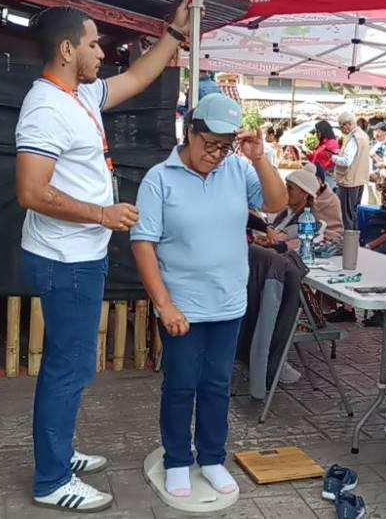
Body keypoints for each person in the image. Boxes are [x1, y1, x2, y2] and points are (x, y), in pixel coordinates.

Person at [15, 2, 190, 512]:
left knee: (71, 365)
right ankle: (51, 480)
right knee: (68, 369)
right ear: (67, 50)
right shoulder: (46, 108)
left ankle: (60, 453)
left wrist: (175, 33)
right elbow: (30, 191)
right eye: (92, 43)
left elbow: (138, 75)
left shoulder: (81, 96)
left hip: (76, 257)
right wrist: (101, 214)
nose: (101, 52)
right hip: (64, 260)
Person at [131, 94, 287, 498]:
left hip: (227, 302)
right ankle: (177, 459)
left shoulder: (237, 168)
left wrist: (259, 158)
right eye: (209, 144)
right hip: (181, 305)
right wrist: (164, 304)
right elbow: (143, 243)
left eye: (225, 145)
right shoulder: (159, 179)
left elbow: (276, 202)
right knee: (181, 384)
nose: (216, 154)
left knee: (217, 384)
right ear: (190, 132)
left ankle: (213, 457)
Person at [256, 166, 324, 252]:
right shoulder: (286, 212)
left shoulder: (308, 219)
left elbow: (281, 238)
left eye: (290, 188)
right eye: (286, 186)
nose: (285, 190)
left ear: (305, 194)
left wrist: (269, 240)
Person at [334, 112, 371, 231]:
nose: (341, 130)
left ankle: (348, 243)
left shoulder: (354, 138)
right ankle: (353, 241)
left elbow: (346, 161)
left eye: (341, 126)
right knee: (353, 213)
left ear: (348, 124)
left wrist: (333, 158)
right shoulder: (364, 136)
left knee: (346, 215)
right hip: (359, 180)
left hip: (349, 181)